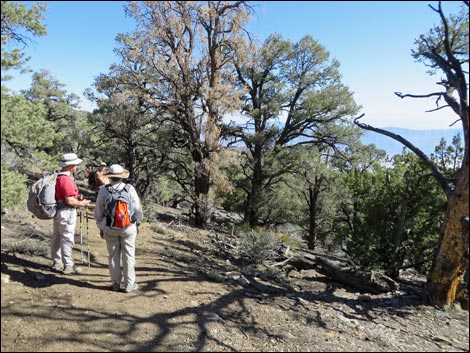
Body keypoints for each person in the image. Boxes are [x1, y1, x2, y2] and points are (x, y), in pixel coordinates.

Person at [93, 164, 143, 293]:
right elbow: (138, 209)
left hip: (110, 227)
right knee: (129, 256)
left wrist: (101, 225)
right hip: (128, 227)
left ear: (110, 176)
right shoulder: (129, 188)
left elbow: (98, 211)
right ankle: (129, 284)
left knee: (113, 256)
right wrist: (137, 222)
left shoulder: (104, 190)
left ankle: (115, 283)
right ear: (121, 176)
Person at [52, 153, 91, 274]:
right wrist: (83, 203)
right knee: (67, 238)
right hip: (66, 212)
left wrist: (77, 197)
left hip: (59, 211)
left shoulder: (59, 177)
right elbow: (69, 200)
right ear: (70, 166)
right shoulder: (66, 179)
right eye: (76, 165)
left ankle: (57, 262)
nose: (77, 167)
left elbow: (66, 196)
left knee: (57, 238)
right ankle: (68, 265)